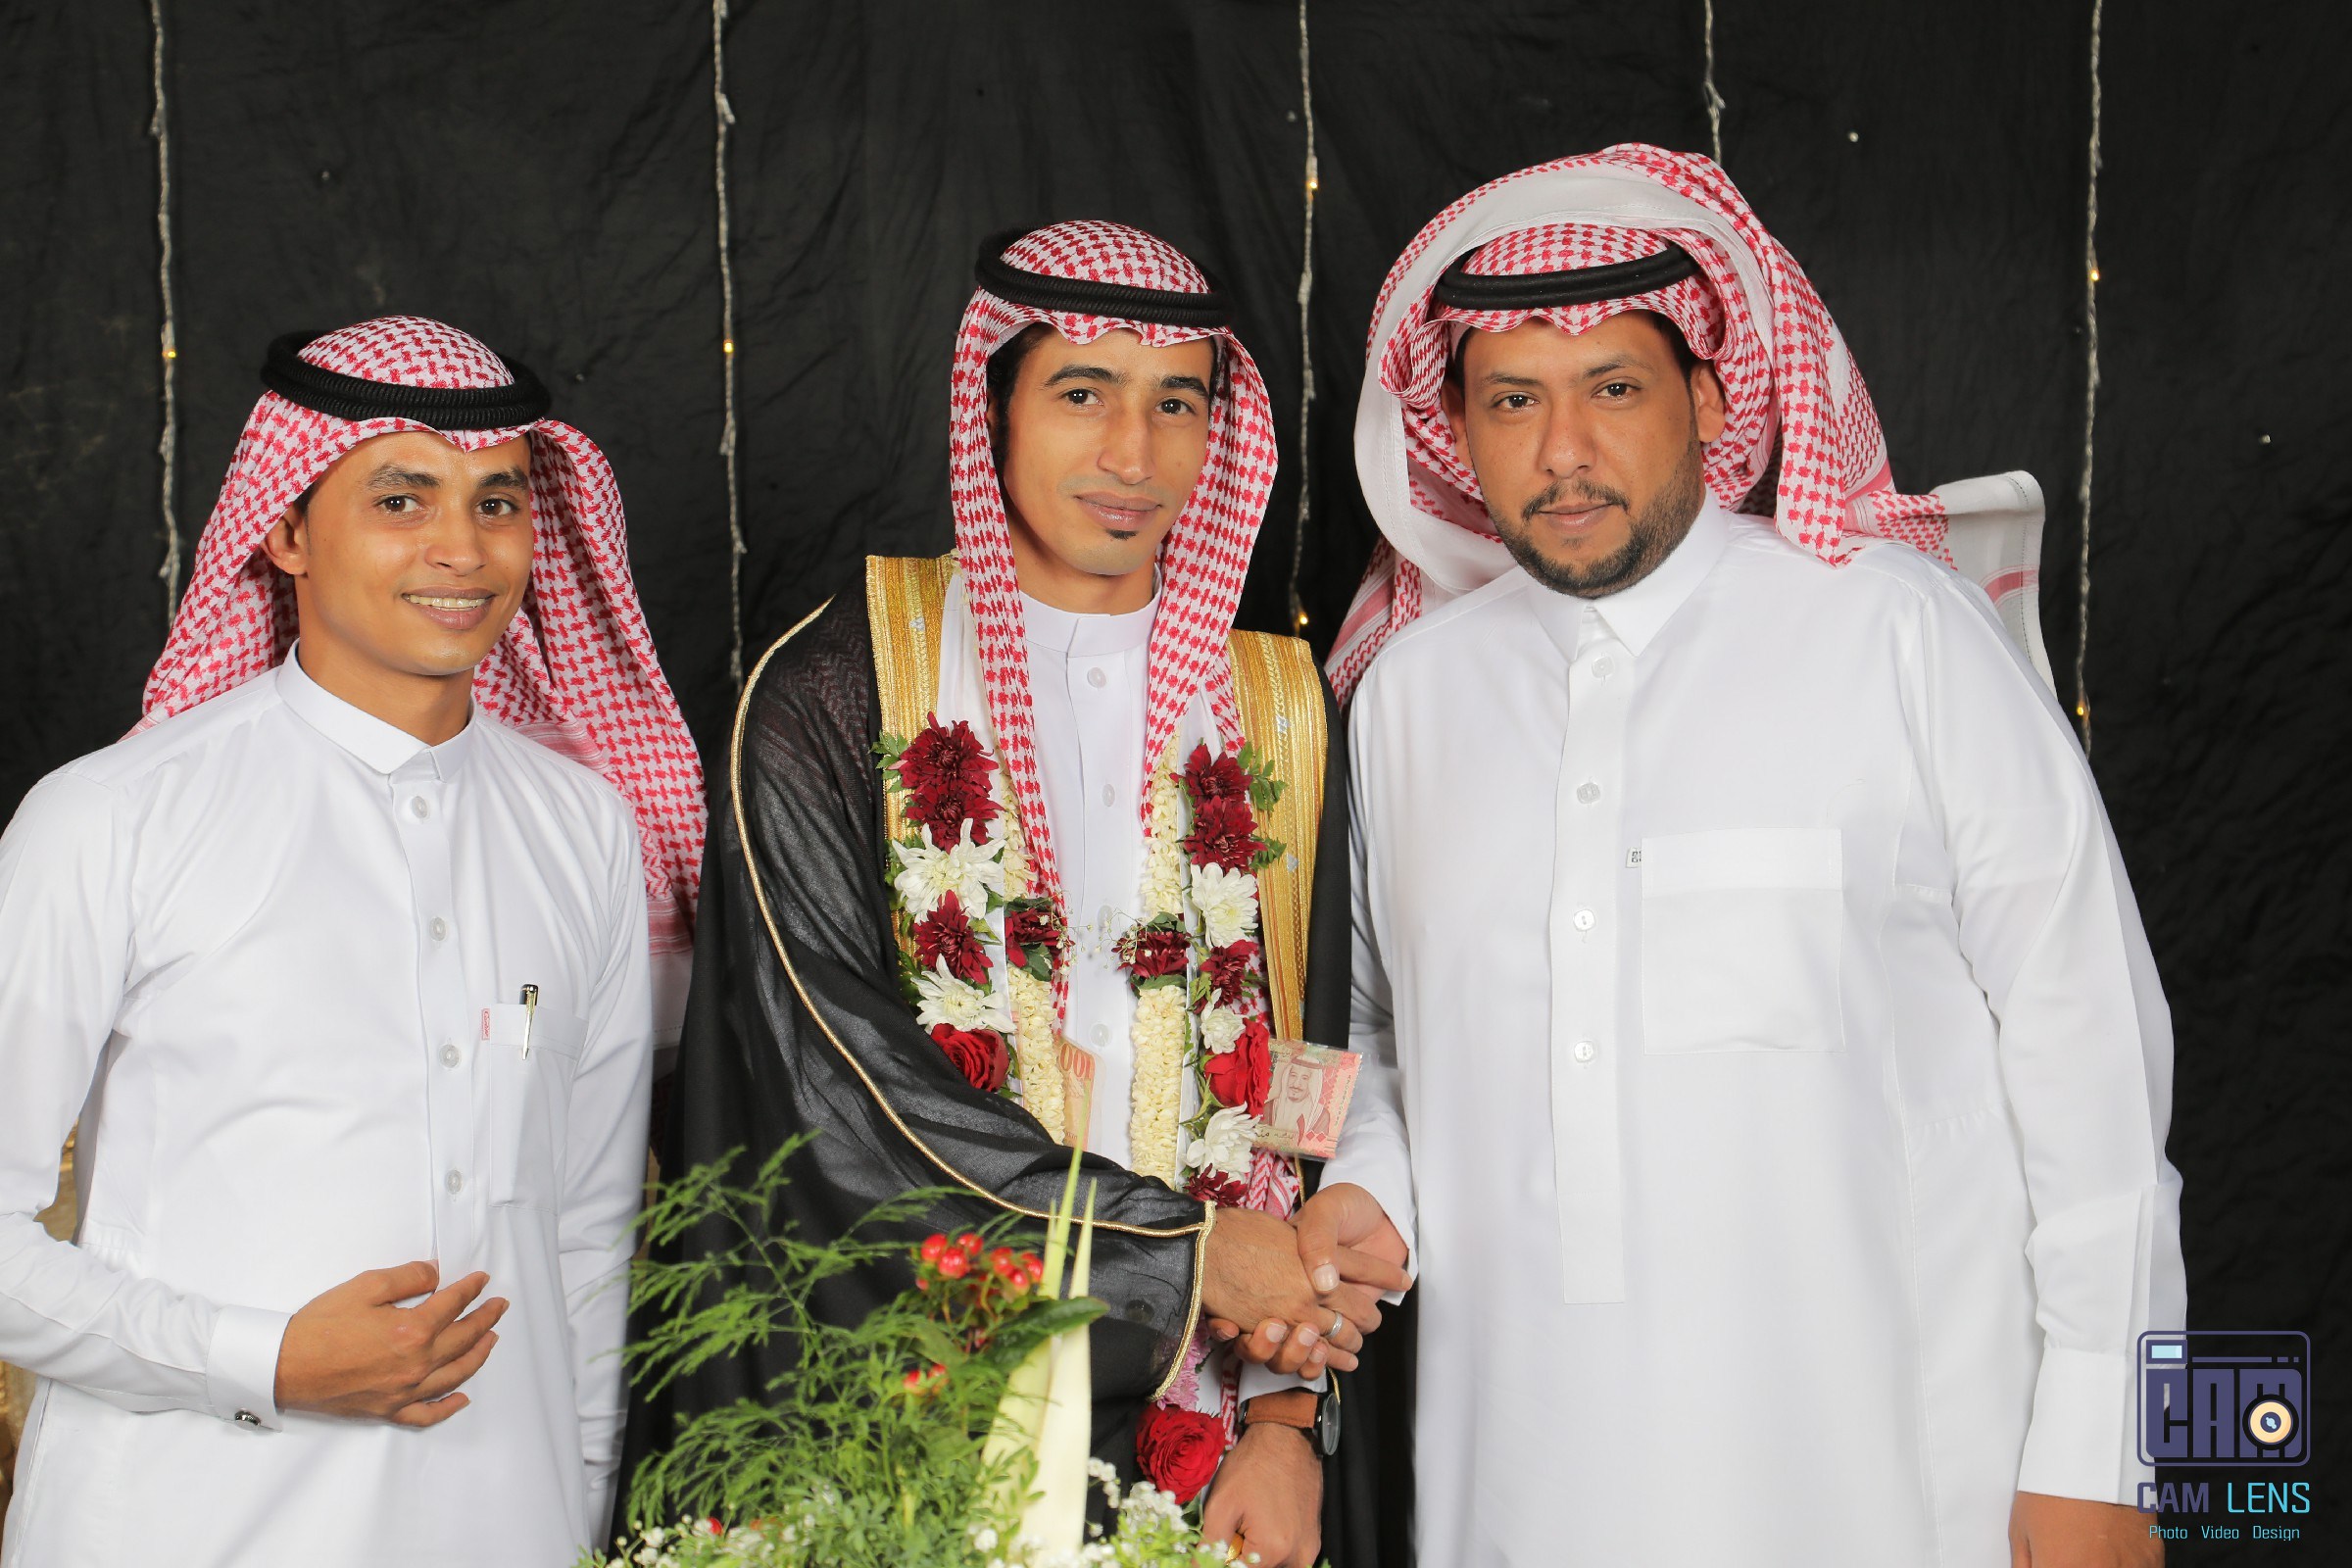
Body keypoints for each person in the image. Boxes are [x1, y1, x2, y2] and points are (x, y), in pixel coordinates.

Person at [1298, 145, 2183, 1566]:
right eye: (1512, 400)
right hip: (1519, 1481)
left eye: (1614, 389)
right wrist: (1371, 1188)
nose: (1563, 451)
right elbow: (1384, 1034)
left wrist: (2109, 1450)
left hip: (1899, 1487)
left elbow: (2093, 1053)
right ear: (1452, 428)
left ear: (1712, 401)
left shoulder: (1897, 632)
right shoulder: (1410, 695)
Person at [631, 222, 1403, 1568]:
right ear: (992, 408)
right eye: (1083, 393)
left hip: (1206, 1435)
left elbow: (1301, 1080)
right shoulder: (837, 692)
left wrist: (1288, 1423)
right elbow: (833, 1084)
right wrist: (1176, 1254)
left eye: (1178, 403)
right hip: (898, 1420)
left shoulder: (1279, 707)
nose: (1133, 455)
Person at [0, 316, 704, 1567]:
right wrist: (266, 1359)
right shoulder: (112, 817)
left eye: (498, 502)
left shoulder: (585, 827)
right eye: (399, 498)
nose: (461, 548)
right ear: (283, 530)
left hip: (509, 1524)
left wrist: (584, 1494)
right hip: (178, 1525)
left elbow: (589, 1235)